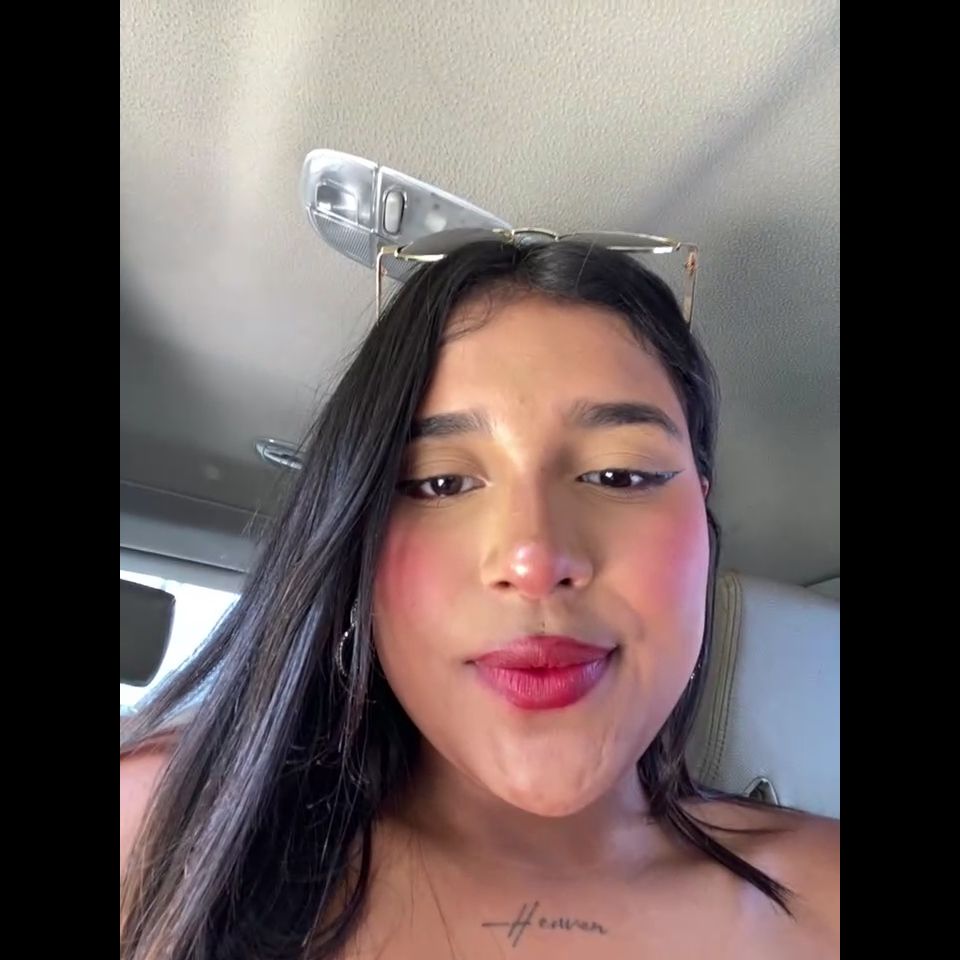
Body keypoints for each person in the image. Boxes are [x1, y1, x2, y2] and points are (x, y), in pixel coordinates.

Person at [120, 235, 840, 959]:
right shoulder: (167, 829)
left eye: (620, 475)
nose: (534, 561)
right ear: (359, 541)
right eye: (440, 483)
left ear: (703, 525)